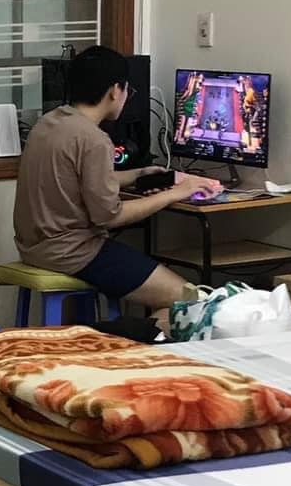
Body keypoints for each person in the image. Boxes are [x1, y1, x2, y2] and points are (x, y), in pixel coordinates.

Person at [13, 44, 222, 327]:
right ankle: (117, 339)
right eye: (126, 90)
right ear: (115, 90)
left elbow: (75, 179)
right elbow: (109, 216)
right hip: (73, 252)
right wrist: (177, 193)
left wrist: (139, 174)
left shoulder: (50, 123)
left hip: (35, 247)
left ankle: (112, 335)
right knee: (190, 300)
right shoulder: (93, 139)